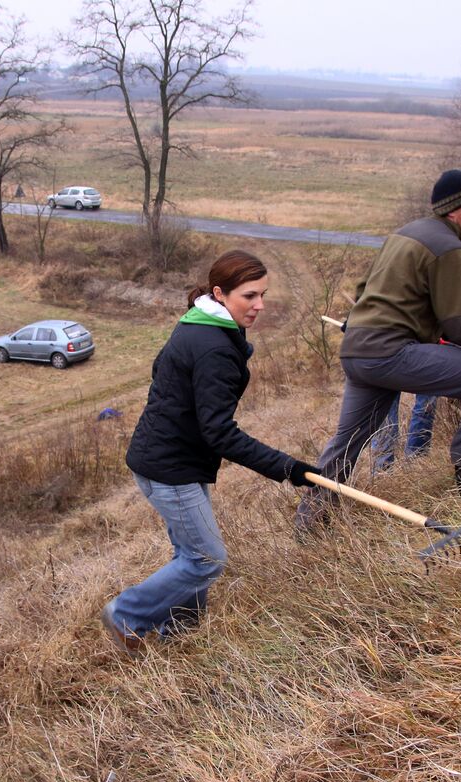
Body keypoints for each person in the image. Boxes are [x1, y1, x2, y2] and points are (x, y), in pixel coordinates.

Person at [294, 169, 461, 526]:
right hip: (390, 351)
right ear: (454, 209)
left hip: (357, 350)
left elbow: (363, 290)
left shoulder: (406, 233)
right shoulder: (450, 248)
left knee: (347, 441)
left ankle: (309, 522)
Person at [102, 250, 320, 655]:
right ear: (220, 293)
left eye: (262, 295)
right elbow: (220, 433)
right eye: (249, 296)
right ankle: (126, 615)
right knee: (207, 559)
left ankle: (179, 627)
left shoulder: (198, 321)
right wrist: (288, 468)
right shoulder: (212, 345)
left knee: (191, 552)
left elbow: (160, 370)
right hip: (170, 467)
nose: (259, 305)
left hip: (168, 457)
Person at [372, 239, 461, 467]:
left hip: (435, 345)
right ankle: (382, 467)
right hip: (392, 343)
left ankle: (416, 460)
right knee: (386, 404)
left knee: (427, 403)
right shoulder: (423, 275)